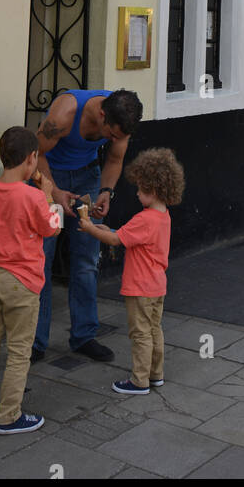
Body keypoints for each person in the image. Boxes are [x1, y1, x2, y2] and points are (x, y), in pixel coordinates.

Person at [32, 88, 143, 363]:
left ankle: (84, 335)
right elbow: (34, 155)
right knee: (40, 259)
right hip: (49, 176)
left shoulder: (121, 123)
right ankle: (34, 341)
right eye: (112, 134)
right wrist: (54, 191)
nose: (114, 140)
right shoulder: (65, 113)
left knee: (87, 259)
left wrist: (106, 191)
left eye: (120, 137)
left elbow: (115, 160)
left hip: (88, 178)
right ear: (102, 115)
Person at [0, 126, 62, 435]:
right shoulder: (33, 197)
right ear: (32, 158)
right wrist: (49, 196)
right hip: (22, 281)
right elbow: (52, 228)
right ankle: (9, 416)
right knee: (20, 350)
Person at [78, 147, 185, 394]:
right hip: (157, 286)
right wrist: (102, 228)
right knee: (154, 330)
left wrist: (89, 227)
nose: (136, 194)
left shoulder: (144, 219)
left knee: (139, 334)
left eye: (140, 189)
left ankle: (139, 380)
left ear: (154, 189)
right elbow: (124, 236)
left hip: (140, 288)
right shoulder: (162, 216)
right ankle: (155, 374)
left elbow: (117, 241)